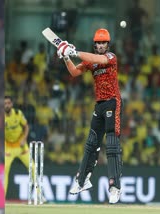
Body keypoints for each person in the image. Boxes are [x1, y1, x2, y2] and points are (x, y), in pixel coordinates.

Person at [56, 28, 123, 204]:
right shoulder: (89, 62)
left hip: (112, 102)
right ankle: (82, 180)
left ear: (108, 44)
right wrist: (65, 56)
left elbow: (98, 59)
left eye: (103, 43)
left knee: (112, 145)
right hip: (99, 105)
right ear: (95, 44)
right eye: (98, 43)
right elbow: (74, 72)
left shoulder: (110, 57)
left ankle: (115, 186)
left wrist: (74, 51)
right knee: (91, 143)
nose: (101, 45)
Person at [4, 95, 30, 195]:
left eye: (8, 103)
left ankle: (39, 194)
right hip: (9, 147)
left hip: (21, 145)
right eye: (5, 104)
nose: (7, 105)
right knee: (5, 170)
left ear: (12, 104)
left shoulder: (18, 113)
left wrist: (24, 139)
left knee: (33, 168)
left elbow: (26, 126)